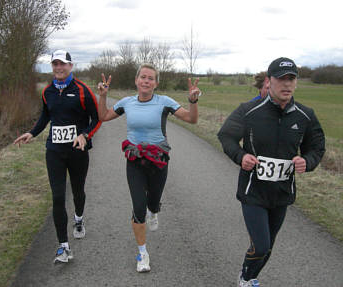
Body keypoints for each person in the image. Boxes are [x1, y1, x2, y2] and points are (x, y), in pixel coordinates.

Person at [217, 57, 325, 287]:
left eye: (292, 79)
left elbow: (316, 147)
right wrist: (241, 156)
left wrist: (307, 161)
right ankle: (246, 279)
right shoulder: (249, 111)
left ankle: (250, 275)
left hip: (282, 193)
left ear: (296, 82)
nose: (287, 84)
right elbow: (226, 136)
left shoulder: (305, 115)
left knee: (268, 246)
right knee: (262, 244)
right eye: (281, 79)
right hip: (253, 190)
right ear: (269, 81)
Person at [97, 63, 201, 273]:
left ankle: (154, 210)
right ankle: (142, 253)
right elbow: (103, 117)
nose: (146, 81)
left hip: (158, 161)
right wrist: (103, 96)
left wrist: (193, 101)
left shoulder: (164, 102)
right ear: (136, 80)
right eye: (142, 77)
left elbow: (192, 119)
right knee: (138, 207)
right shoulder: (127, 103)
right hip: (135, 161)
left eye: (150, 78)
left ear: (156, 83)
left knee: (152, 203)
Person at [14, 50, 101, 264]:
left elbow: (97, 119)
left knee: (78, 191)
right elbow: (46, 115)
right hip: (54, 151)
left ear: (70, 66)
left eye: (62, 64)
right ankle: (63, 247)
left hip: (77, 151)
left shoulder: (82, 90)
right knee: (58, 197)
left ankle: (78, 219)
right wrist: (32, 132)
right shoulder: (47, 91)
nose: (59, 68)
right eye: (55, 64)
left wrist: (85, 135)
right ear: (52, 67)